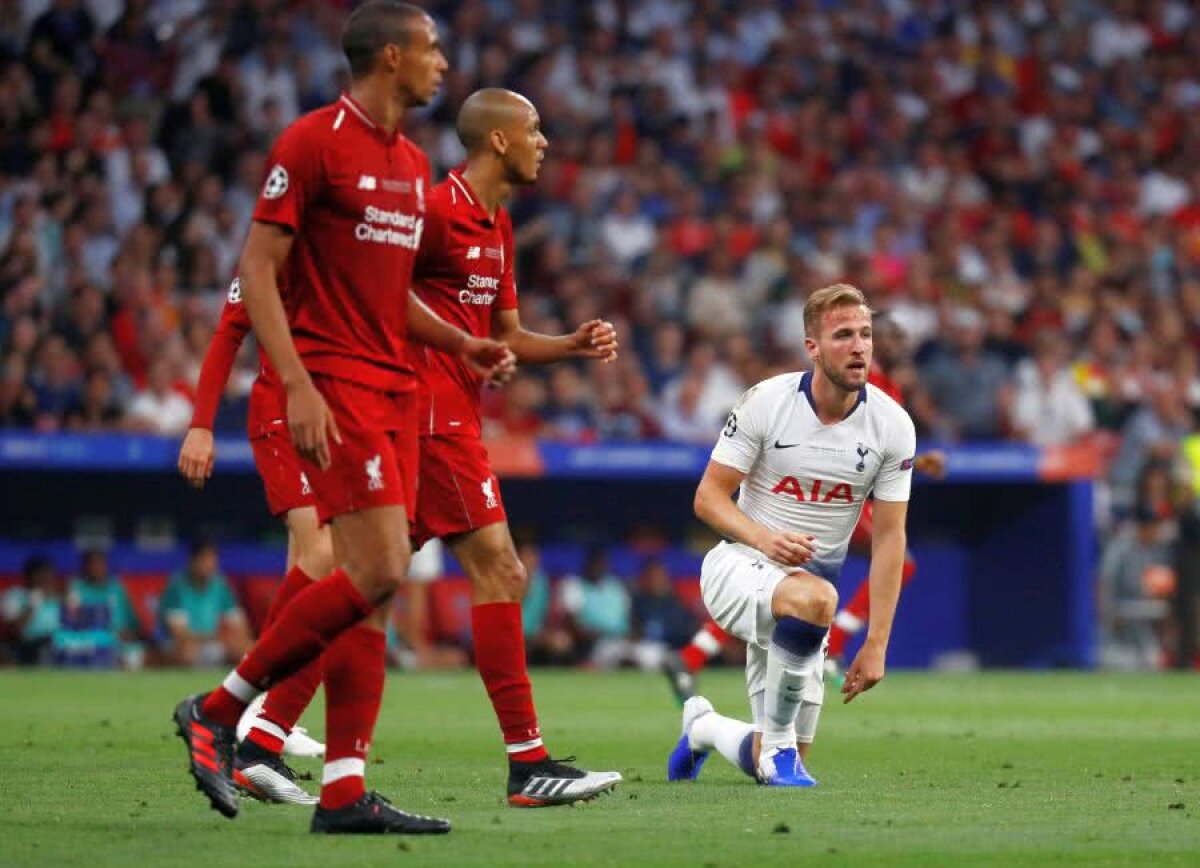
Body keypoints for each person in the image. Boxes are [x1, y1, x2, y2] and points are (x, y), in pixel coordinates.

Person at [173, 2, 508, 834]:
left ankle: (345, 789)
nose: (442, 62)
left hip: (396, 383)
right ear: (391, 57)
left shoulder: (410, 162)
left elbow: (391, 297)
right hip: (337, 383)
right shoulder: (313, 141)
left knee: (372, 591)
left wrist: (462, 344)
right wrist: (294, 383)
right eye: (431, 49)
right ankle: (223, 711)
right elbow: (254, 272)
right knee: (379, 569)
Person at [406, 88, 620, 805]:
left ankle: (244, 723)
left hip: (443, 415)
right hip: (428, 416)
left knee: (352, 584)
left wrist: (570, 345)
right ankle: (529, 765)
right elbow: (378, 295)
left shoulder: (496, 225)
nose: (545, 142)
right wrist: (454, 348)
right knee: (502, 570)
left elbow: (507, 334)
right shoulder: (435, 212)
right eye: (534, 129)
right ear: (498, 140)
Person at [666, 283, 915, 787]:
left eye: (865, 334)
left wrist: (877, 644)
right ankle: (778, 748)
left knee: (768, 763)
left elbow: (890, 540)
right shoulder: (766, 401)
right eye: (843, 335)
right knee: (815, 598)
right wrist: (763, 539)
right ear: (813, 348)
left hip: (808, 601)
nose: (860, 346)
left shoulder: (893, 425)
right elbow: (708, 498)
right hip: (739, 565)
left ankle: (704, 728)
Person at [178, 271, 331, 805]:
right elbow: (228, 332)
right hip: (284, 419)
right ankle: (240, 710)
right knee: (325, 560)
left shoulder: (357, 232)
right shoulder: (277, 238)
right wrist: (201, 424)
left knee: (309, 571)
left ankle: (263, 717)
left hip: (338, 419)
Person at [159, 539, 252, 668]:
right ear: (192, 561)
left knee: (247, 649)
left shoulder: (220, 585)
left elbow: (241, 627)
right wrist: (216, 638)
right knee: (187, 652)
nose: (208, 564)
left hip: (216, 643)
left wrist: (232, 640)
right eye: (203, 559)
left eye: (212, 559)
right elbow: (180, 635)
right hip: (186, 646)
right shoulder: (176, 587)